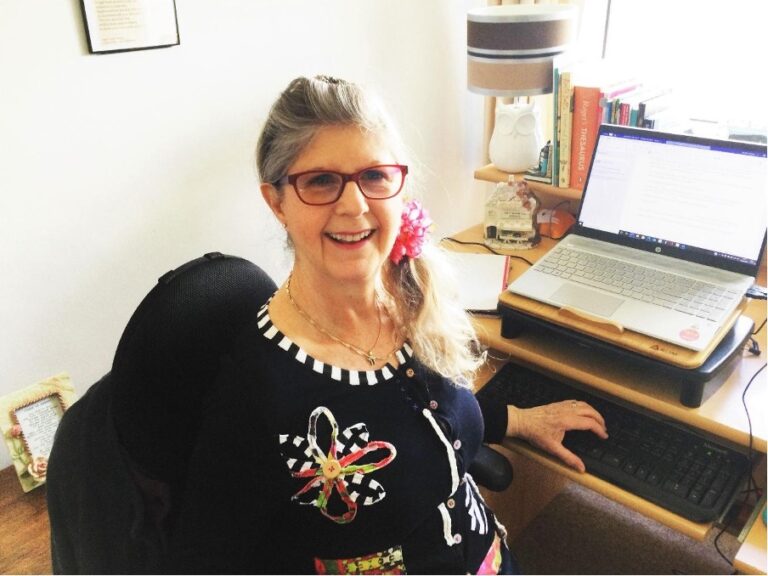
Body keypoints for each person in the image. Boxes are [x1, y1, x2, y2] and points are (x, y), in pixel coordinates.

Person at [168, 75, 607, 575]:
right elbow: (201, 559)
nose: (353, 205)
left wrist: (516, 419)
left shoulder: (411, 298)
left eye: (374, 176)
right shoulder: (257, 390)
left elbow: (412, 420)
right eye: (320, 181)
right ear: (277, 202)